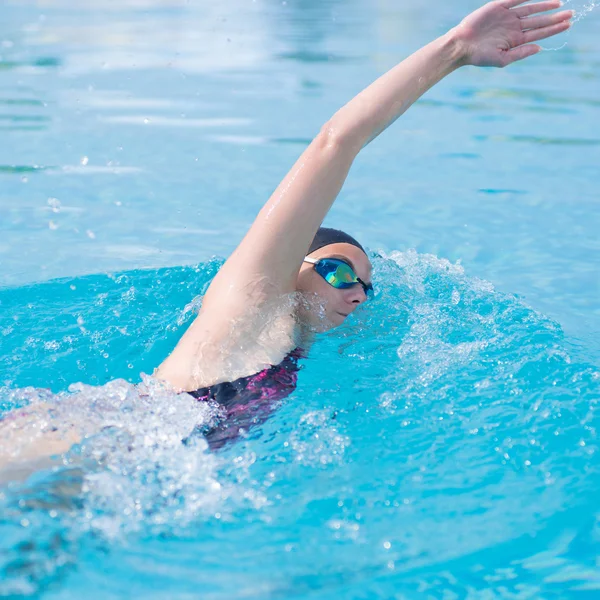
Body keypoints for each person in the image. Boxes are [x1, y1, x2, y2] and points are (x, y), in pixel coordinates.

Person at [0, 0, 573, 465]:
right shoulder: (254, 299)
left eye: (365, 286)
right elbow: (336, 140)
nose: (356, 292)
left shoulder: (286, 349)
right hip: (83, 436)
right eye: (341, 271)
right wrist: (452, 51)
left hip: (125, 458)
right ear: (294, 261)